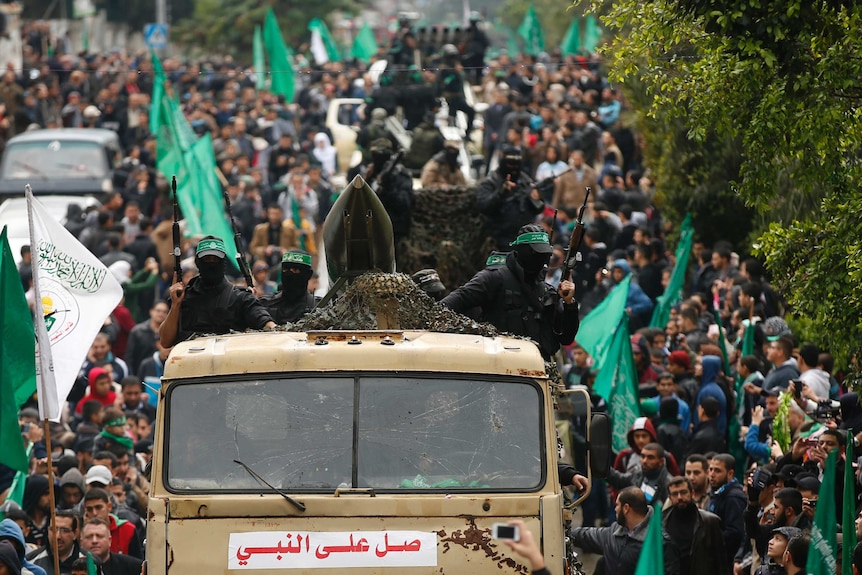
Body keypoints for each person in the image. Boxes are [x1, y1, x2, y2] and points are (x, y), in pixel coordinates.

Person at [441, 223, 579, 360]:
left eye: (544, 254)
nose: (540, 259)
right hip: (497, 366)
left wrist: (569, 304)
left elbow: (566, 338)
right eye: (535, 253)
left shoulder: (547, 291)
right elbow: (450, 304)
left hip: (537, 371)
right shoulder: (494, 278)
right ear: (522, 250)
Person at [159, 236, 276, 347]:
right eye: (206, 259)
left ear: (223, 262)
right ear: (197, 262)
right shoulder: (183, 297)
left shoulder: (240, 297)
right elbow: (165, 341)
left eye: (216, 259)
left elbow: (266, 323)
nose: (211, 263)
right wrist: (176, 305)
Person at [569, 486, 680, 575]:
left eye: (617, 505)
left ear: (626, 508)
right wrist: (565, 534)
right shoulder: (614, 533)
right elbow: (586, 535)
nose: (615, 509)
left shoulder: (661, 544)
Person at [475, 145, 545, 251]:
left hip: (523, 239)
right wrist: (501, 193)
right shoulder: (491, 182)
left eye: (517, 165)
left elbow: (538, 208)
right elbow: (483, 206)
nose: (514, 169)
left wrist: (536, 198)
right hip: (498, 240)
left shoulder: (525, 180)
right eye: (510, 164)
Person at [663, 476, 729, 575]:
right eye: (675, 494)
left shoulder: (710, 522)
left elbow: (721, 562)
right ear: (670, 498)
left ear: (692, 493)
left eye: (683, 492)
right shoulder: (662, 522)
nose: (680, 497)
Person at [707, 454, 747, 572]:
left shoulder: (733, 498)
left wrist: (710, 540)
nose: (712, 474)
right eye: (711, 469)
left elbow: (735, 532)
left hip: (728, 561)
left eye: (718, 471)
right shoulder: (717, 493)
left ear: (730, 474)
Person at [259, 250, 317, 324]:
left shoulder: (317, 308)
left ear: (308, 274)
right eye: (285, 269)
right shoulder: (266, 303)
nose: (289, 274)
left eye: (295, 270)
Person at [82, 490, 141, 559]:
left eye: (98, 507)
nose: (94, 513)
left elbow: (138, 563)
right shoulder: (81, 531)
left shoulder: (127, 529)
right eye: (89, 509)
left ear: (109, 507)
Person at [607, 442, 671, 506]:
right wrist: (603, 466)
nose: (644, 461)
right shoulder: (638, 475)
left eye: (650, 457)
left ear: (661, 462)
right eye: (643, 456)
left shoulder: (668, 484)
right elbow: (618, 480)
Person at [27, 511, 85, 575]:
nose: (58, 536)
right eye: (53, 529)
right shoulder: (30, 562)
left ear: (75, 534)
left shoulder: (90, 562)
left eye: (64, 530)